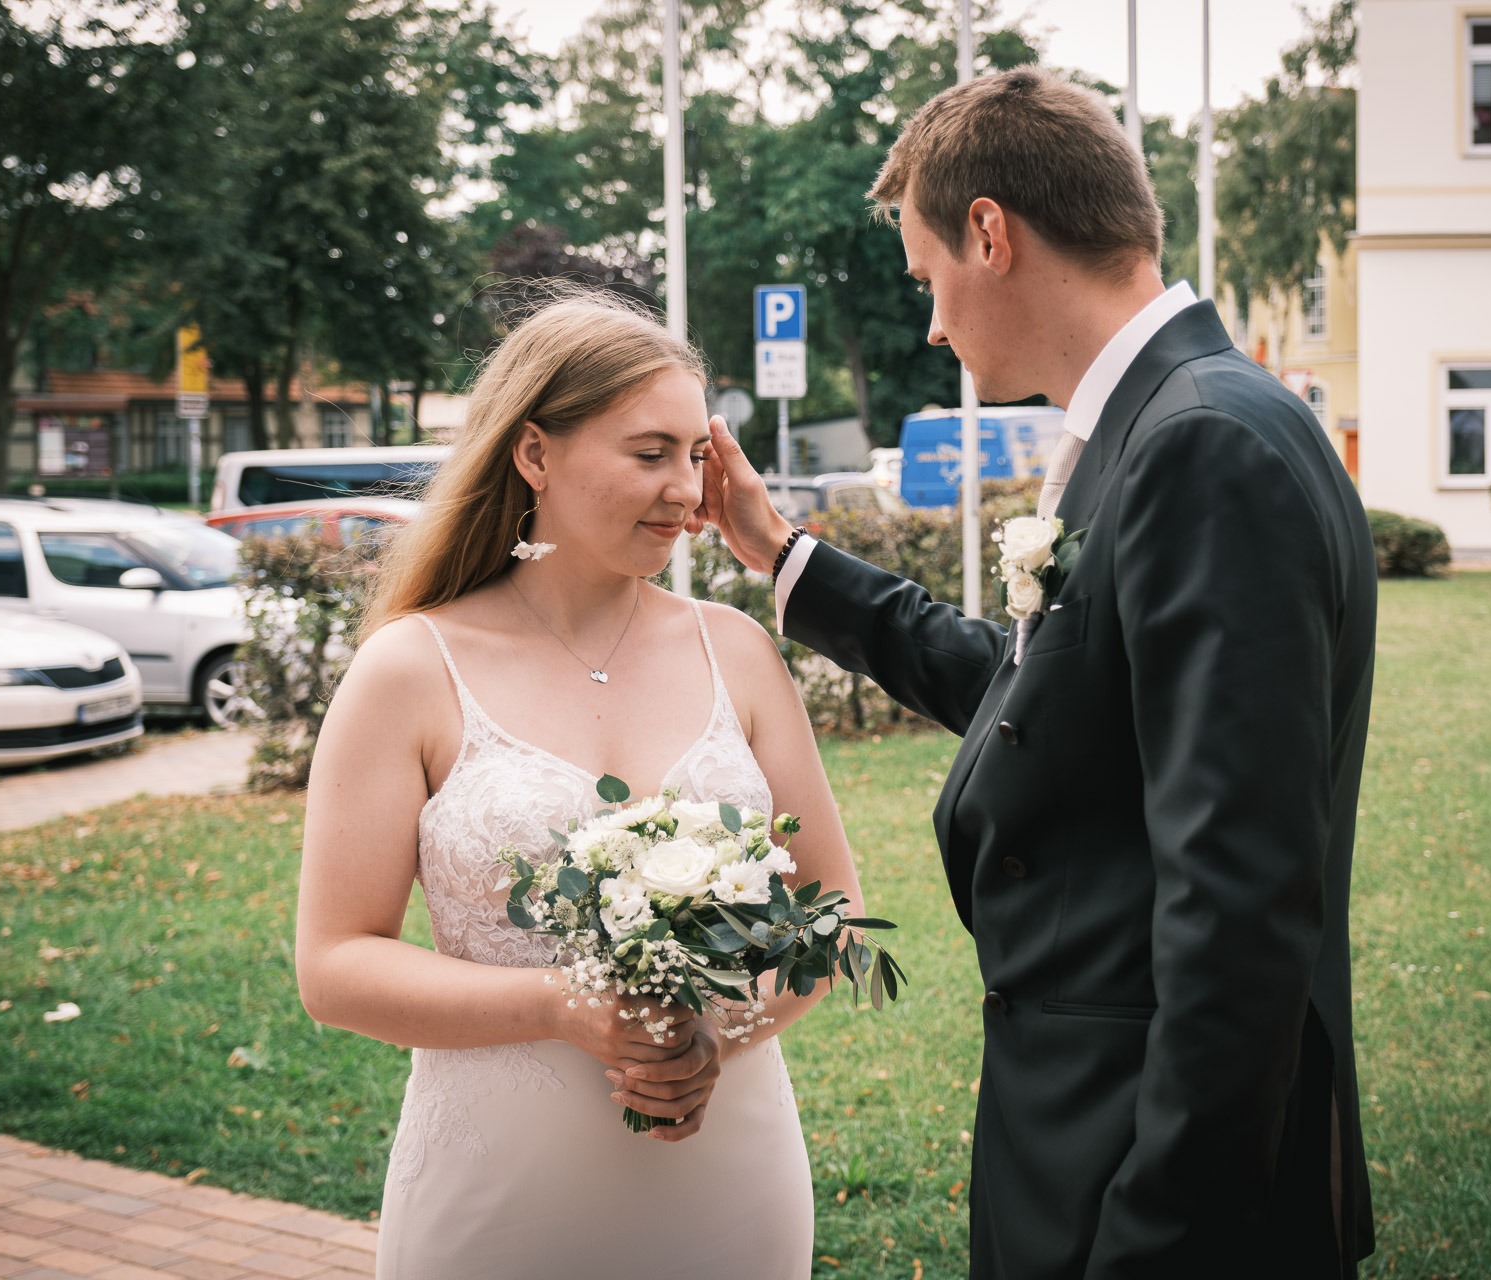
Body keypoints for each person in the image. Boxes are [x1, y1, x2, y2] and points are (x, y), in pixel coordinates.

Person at [695, 68, 1377, 1279]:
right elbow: (1046, 700)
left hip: (1139, 1163)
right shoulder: (1175, 421)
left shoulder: (1200, 446)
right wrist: (781, 554)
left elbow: (1238, 913)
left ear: (991, 232)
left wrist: (1156, 1239)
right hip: (1082, 1125)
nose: (933, 326)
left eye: (927, 279)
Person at [296, 295, 860, 1278]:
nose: (686, 489)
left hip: (730, 1183)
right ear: (535, 454)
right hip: (501, 1195)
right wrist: (566, 1004)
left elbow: (836, 911)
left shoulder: (738, 654)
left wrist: (713, 1036)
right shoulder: (411, 669)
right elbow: (336, 961)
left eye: (697, 453)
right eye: (650, 453)